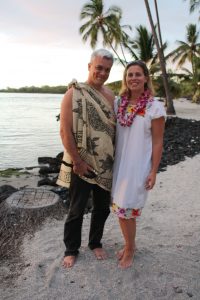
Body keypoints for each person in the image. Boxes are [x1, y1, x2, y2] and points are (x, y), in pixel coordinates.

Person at [57, 49, 116, 268]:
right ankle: (71, 249)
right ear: (89, 66)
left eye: (107, 70)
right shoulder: (73, 93)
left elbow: (114, 130)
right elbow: (65, 132)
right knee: (76, 209)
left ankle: (95, 243)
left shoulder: (110, 95)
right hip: (81, 163)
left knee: (102, 208)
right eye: (99, 67)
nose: (102, 72)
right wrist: (78, 162)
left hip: (106, 164)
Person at [111, 60, 166, 269]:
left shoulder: (154, 107)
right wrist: (75, 88)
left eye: (138, 74)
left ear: (145, 78)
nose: (133, 78)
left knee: (127, 209)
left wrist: (153, 171)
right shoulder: (119, 102)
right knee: (119, 209)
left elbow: (158, 141)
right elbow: (99, 96)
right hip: (119, 166)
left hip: (137, 167)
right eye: (130, 74)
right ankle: (128, 244)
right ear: (126, 79)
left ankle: (130, 249)